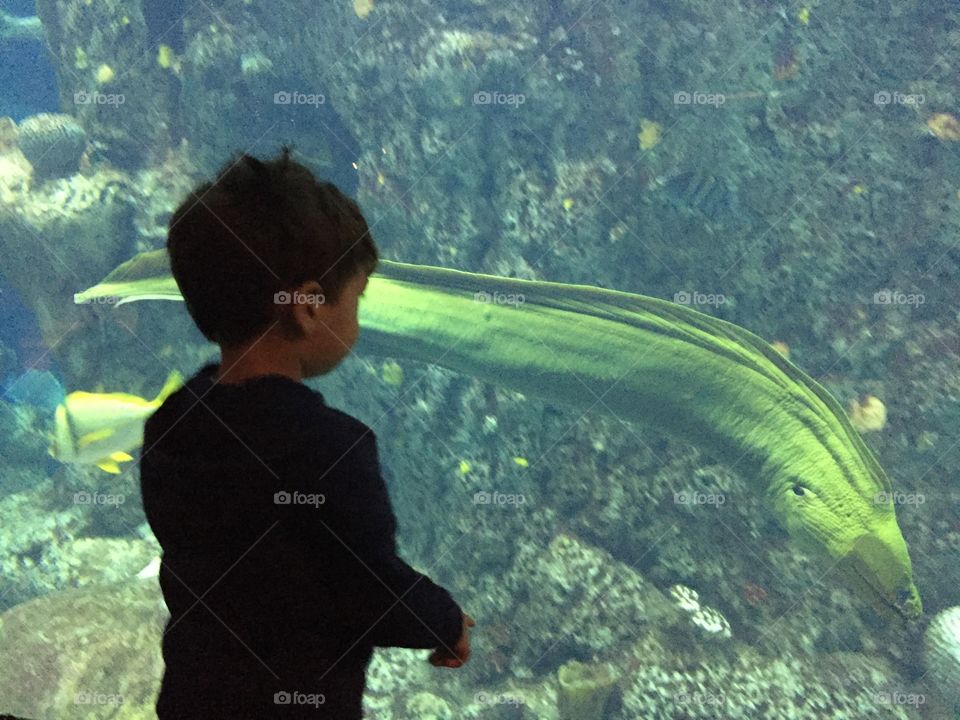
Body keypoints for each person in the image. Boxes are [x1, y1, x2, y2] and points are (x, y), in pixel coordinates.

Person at [140, 148, 473, 719]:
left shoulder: (169, 426)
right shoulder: (332, 446)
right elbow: (369, 588)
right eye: (357, 299)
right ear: (309, 308)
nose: (358, 322)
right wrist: (444, 621)